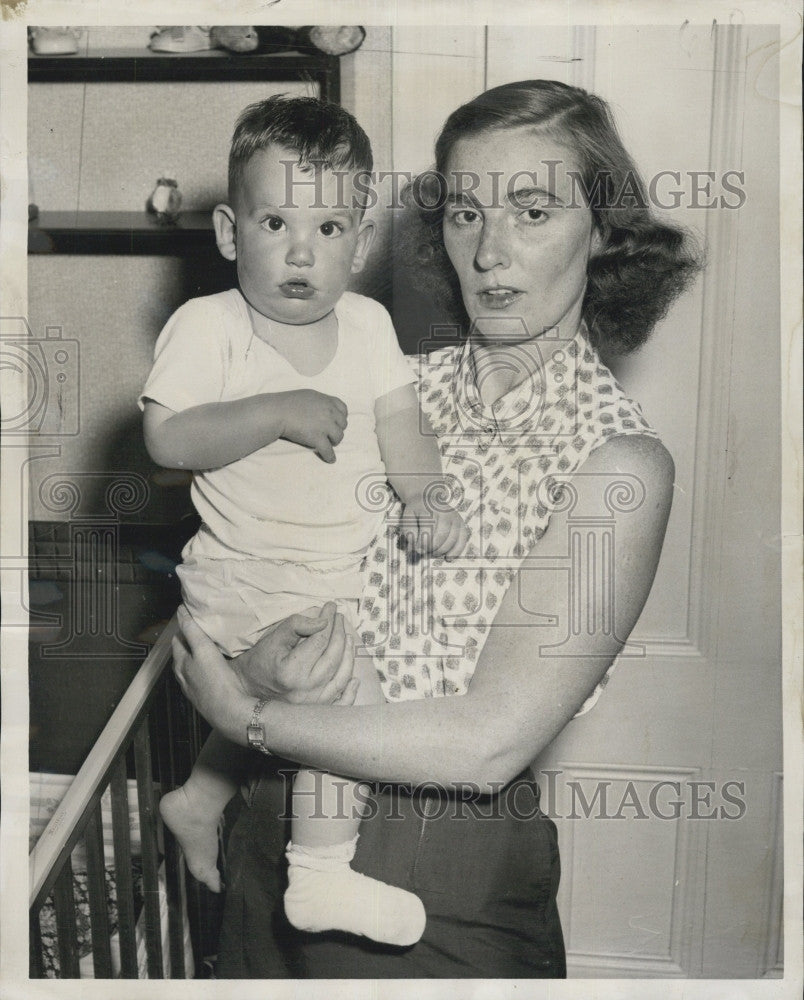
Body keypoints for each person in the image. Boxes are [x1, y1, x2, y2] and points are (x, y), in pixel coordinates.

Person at [171, 79, 702, 978]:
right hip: (271, 820)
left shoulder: (618, 464)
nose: (491, 251)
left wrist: (249, 716)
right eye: (465, 213)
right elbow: (246, 556)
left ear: (603, 231)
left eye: (533, 211)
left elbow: (486, 743)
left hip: (443, 872)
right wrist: (248, 667)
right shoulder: (391, 384)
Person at [140, 95, 468, 946]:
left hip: (341, 577)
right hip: (242, 582)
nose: (299, 250)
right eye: (275, 219)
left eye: (328, 230)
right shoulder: (208, 326)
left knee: (327, 676)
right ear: (227, 230)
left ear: (359, 247)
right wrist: (274, 408)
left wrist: (428, 494)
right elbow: (168, 438)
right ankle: (320, 875)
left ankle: (199, 797)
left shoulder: (367, 325)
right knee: (335, 696)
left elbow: (403, 428)